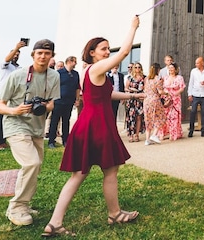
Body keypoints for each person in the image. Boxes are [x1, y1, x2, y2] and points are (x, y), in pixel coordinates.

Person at [42, 16, 144, 237]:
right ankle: (113, 213)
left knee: (89, 172)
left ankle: (55, 222)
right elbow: (125, 52)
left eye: (108, 49)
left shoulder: (92, 72)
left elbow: (107, 94)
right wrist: (133, 27)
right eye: (104, 49)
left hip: (90, 124)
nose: (107, 52)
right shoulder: (97, 68)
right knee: (106, 170)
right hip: (97, 126)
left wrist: (135, 95)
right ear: (92, 53)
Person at [0, 39, 61, 227]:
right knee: (31, 163)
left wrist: (45, 106)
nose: (43, 56)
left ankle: (24, 203)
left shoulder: (54, 76)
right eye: (39, 53)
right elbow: (0, 105)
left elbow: (52, 103)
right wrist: (15, 110)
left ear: (51, 56)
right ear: (33, 55)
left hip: (37, 127)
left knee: (35, 165)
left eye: (47, 53)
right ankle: (16, 207)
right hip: (15, 124)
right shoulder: (17, 75)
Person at [0, 38, 28, 151]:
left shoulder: (18, 68)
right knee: (1, 117)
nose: (16, 56)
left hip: (14, 95)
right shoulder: (5, 65)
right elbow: (6, 59)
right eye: (14, 54)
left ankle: (4, 140)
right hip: (3, 94)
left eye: (18, 54)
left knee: (10, 118)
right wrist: (17, 48)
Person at [48, 56, 81, 148]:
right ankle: (51, 141)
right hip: (58, 101)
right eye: (74, 62)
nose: (76, 63)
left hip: (69, 102)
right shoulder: (58, 73)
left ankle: (65, 140)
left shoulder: (75, 74)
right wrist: (51, 99)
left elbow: (77, 88)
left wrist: (77, 99)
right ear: (69, 61)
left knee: (66, 121)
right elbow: (52, 87)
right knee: (54, 121)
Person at [187, 56, 204, 138]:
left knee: (203, 113)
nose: (196, 64)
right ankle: (191, 130)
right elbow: (191, 82)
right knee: (193, 112)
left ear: (202, 62)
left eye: (198, 63)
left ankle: (203, 130)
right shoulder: (193, 71)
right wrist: (189, 94)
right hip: (195, 94)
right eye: (196, 63)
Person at [143, 63, 166, 146]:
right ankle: (154, 134)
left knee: (148, 119)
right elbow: (160, 92)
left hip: (146, 100)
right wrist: (166, 93)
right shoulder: (158, 79)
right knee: (161, 117)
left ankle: (147, 139)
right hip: (155, 100)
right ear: (158, 70)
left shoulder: (146, 79)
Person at [163, 63, 186, 140]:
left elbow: (182, 87)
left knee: (174, 116)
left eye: (172, 68)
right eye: (169, 68)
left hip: (176, 99)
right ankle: (168, 132)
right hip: (167, 98)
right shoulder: (165, 78)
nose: (170, 69)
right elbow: (163, 88)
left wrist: (176, 93)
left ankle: (174, 134)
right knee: (167, 116)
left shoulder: (179, 78)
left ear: (175, 69)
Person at [125, 63, 145, 142]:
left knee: (139, 117)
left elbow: (146, 88)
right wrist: (132, 90)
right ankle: (131, 135)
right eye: (135, 67)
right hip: (131, 99)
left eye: (139, 67)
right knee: (130, 118)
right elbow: (126, 88)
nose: (137, 69)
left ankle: (137, 134)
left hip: (140, 100)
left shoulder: (144, 78)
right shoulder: (130, 78)